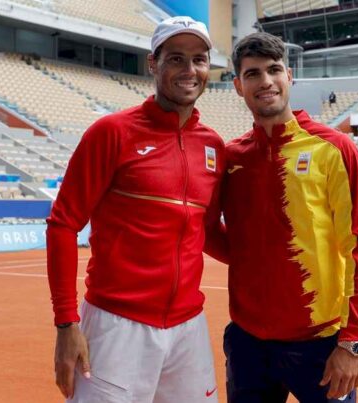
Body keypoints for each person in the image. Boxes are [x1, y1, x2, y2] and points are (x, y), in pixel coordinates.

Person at [46, 16, 226, 402]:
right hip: (116, 326)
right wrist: (65, 323)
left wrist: (269, 259)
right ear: (153, 63)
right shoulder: (112, 132)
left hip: (188, 328)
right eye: (176, 58)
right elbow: (63, 224)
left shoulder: (213, 146)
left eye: (199, 59)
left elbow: (208, 230)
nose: (189, 70)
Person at [220, 32, 358, 403]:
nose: (266, 82)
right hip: (248, 344)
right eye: (253, 73)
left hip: (321, 344)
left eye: (274, 70)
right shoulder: (232, 157)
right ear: (238, 85)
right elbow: (215, 233)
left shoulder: (334, 148)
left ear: (289, 76)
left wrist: (352, 342)